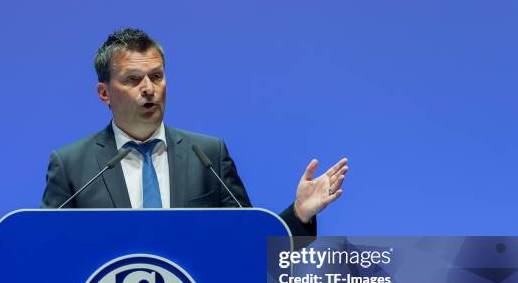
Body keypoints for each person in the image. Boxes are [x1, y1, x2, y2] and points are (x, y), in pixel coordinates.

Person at [41, 28, 348, 236]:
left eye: (156, 76)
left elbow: (249, 247)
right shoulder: (73, 165)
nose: (148, 89)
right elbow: (44, 251)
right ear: (104, 93)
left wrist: (299, 214)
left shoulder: (207, 156)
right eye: (133, 80)